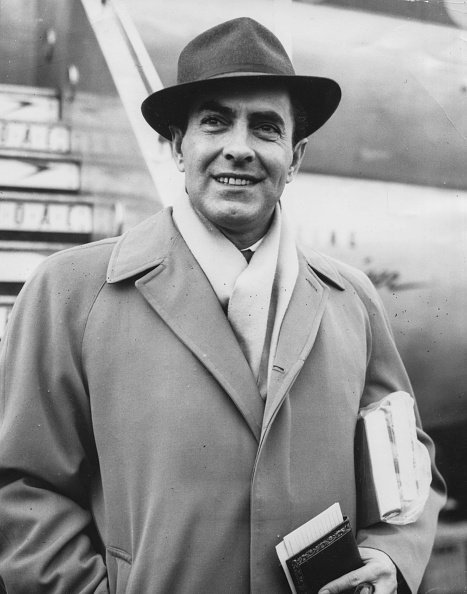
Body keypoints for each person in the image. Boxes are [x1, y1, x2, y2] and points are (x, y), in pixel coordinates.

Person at [0, 17, 445, 594]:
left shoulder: (351, 299)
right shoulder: (70, 290)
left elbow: (404, 465)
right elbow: (23, 487)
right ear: (177, 146)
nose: (240, 148)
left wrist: (392, 556)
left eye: (265, 128)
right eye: (215, 122)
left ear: (296, 155)